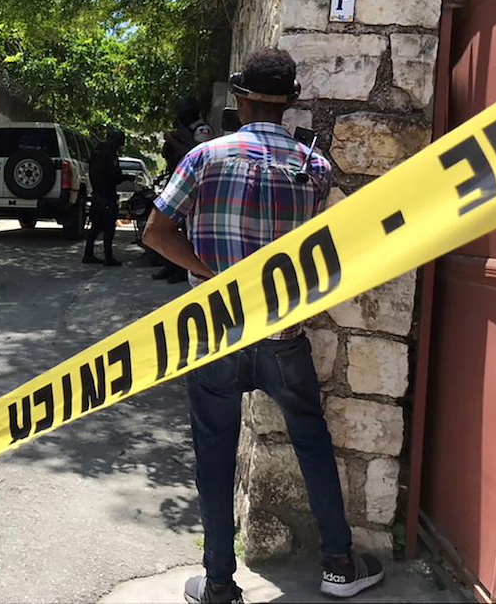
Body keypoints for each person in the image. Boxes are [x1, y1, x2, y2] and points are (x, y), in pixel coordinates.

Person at [143, 48, 383, 603]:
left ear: (240, 98)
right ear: (289, 102)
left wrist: (212, 274)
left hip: (215, 333)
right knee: (313, 442)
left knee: (213, 452)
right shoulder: (314, 168)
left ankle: (221, 583)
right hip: (283, 337)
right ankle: (340, 563)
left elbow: (156, 232)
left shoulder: (204, 158)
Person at [153, 99, 215, 285]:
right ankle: (172, 264)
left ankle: (184, 268)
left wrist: (174, 140)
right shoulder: (185, 130)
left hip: (195, 187)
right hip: (179, 183)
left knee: (189, 232)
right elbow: (167, 154)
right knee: (175, 229)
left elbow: (194, 154)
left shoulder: (202, 130)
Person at [82, 129, 127, 267]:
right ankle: (108, 257)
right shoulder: (109, 154)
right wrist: (126, 177)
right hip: (106, 195)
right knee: (108, 227)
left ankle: (88, 254)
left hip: (96, 194)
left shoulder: (97, 152)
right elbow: (113, 176)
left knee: (95, 227)